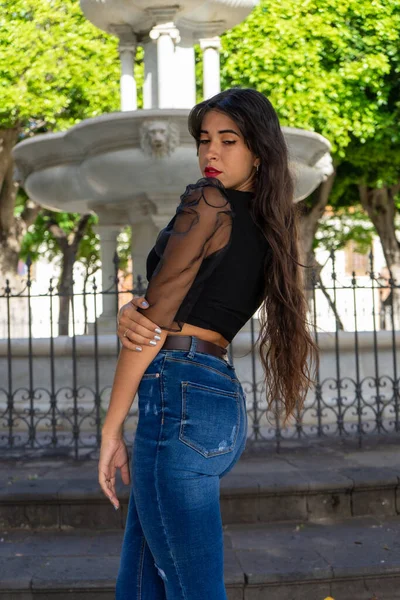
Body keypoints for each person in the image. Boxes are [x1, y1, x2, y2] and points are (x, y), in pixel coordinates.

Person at [98, 87, 318, 599]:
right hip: (215, 398)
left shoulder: (208, 201)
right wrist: (142, 310)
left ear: (258, 149)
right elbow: (183, 309)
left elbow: (154, 325)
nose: (211, 154)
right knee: (140, 582)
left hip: (179, 394)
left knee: (193, 588)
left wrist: (111, 431)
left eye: (228, 140)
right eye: (203, 141)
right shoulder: (272, 226)